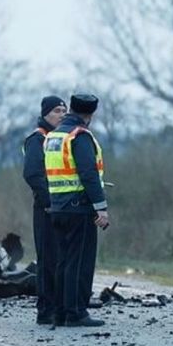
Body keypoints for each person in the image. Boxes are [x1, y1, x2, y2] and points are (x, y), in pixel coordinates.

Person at [45, 94, 109, 327]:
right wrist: (101, 208)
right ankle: (76, 313)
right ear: (89, 115)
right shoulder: (79, 136)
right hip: (79, 208)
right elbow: (88, 174)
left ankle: (60, 311)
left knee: (63, 262)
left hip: (58, 206)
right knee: (78, 262)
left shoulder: (54, 135)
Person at [23, 96, 67, 325]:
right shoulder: (37, 139)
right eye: (57, 110)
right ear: (46, 114)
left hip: (64, 208)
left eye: (64, 110)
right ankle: (45, 309)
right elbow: (32, 174)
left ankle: (60, 306)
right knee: (48, 259)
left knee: (61, 259)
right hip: (46, 208)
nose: (62, 114)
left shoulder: (61, 139)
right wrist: (49, 201)